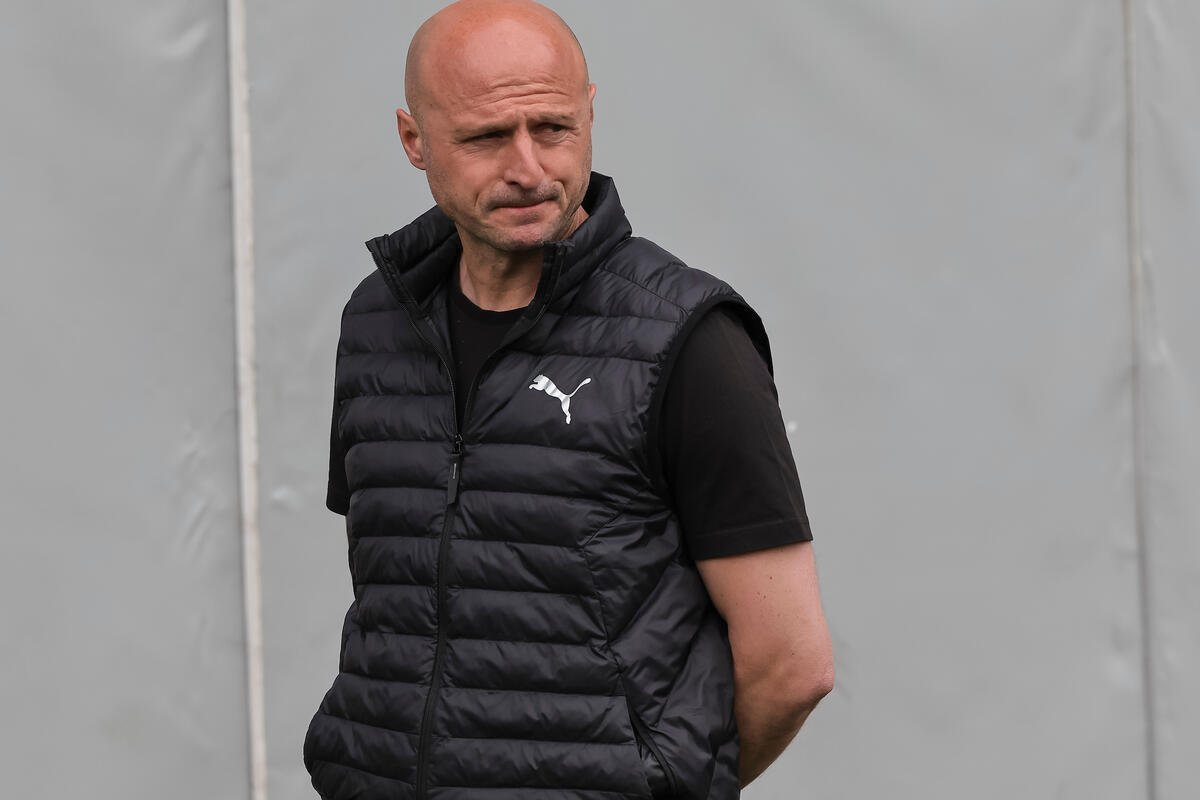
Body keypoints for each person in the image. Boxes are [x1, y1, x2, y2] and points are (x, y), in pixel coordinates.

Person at [303, 1, 834, 798]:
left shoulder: (689, 340)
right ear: (415, 140)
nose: (527, 168)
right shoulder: (378, 322)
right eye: (486, 137)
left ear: (590, 112)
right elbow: (401, 601)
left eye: (552, 128)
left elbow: (792, 663)